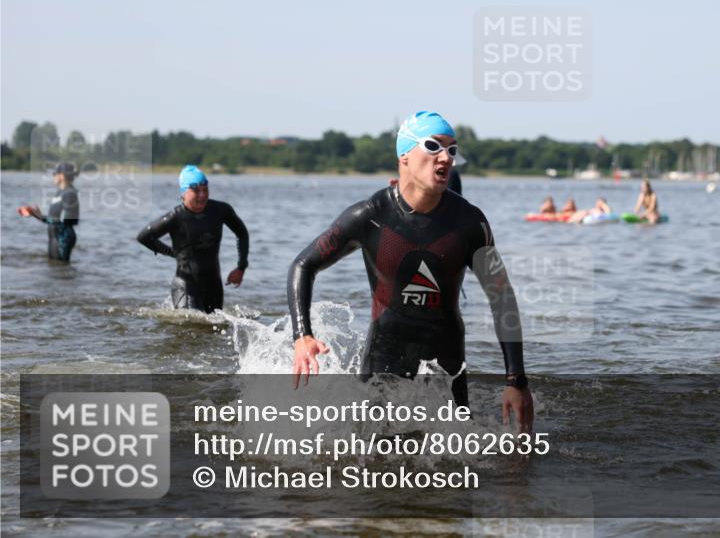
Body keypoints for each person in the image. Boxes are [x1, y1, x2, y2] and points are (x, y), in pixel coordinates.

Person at [288, 111, 533, 432]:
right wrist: (302, 336)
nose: (446, 157)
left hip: (445, 361)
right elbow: (303, 265)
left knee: (457, 463)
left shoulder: (469, 222)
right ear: (404, 155)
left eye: (452, 150)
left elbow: (501, 295)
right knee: (369, 462)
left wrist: (516, 380)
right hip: (383, 359)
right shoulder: (369, 216)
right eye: (433, 146)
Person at [136, 165, 249, 313]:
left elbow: (242, 233)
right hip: (186, 285)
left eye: (205, 189)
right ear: (184, 193)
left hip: (214, 286)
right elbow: (144, 237)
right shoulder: (175, 217)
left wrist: (241, 267)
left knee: (212, 331)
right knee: (191, 327)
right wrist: (171, 252)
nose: (202, 195)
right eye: (196, 190)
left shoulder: (220, 210)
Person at [17, 162, 80, 262]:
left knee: (60, 269)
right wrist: (37, 214)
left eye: (54, 174)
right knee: (54, 267)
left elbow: (66, 221)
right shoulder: (60, 192)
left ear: (62, 176)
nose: (53, 176)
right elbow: (54, 217)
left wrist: (39, 216)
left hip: (63, 237)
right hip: (55, 234)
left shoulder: (69, 193)